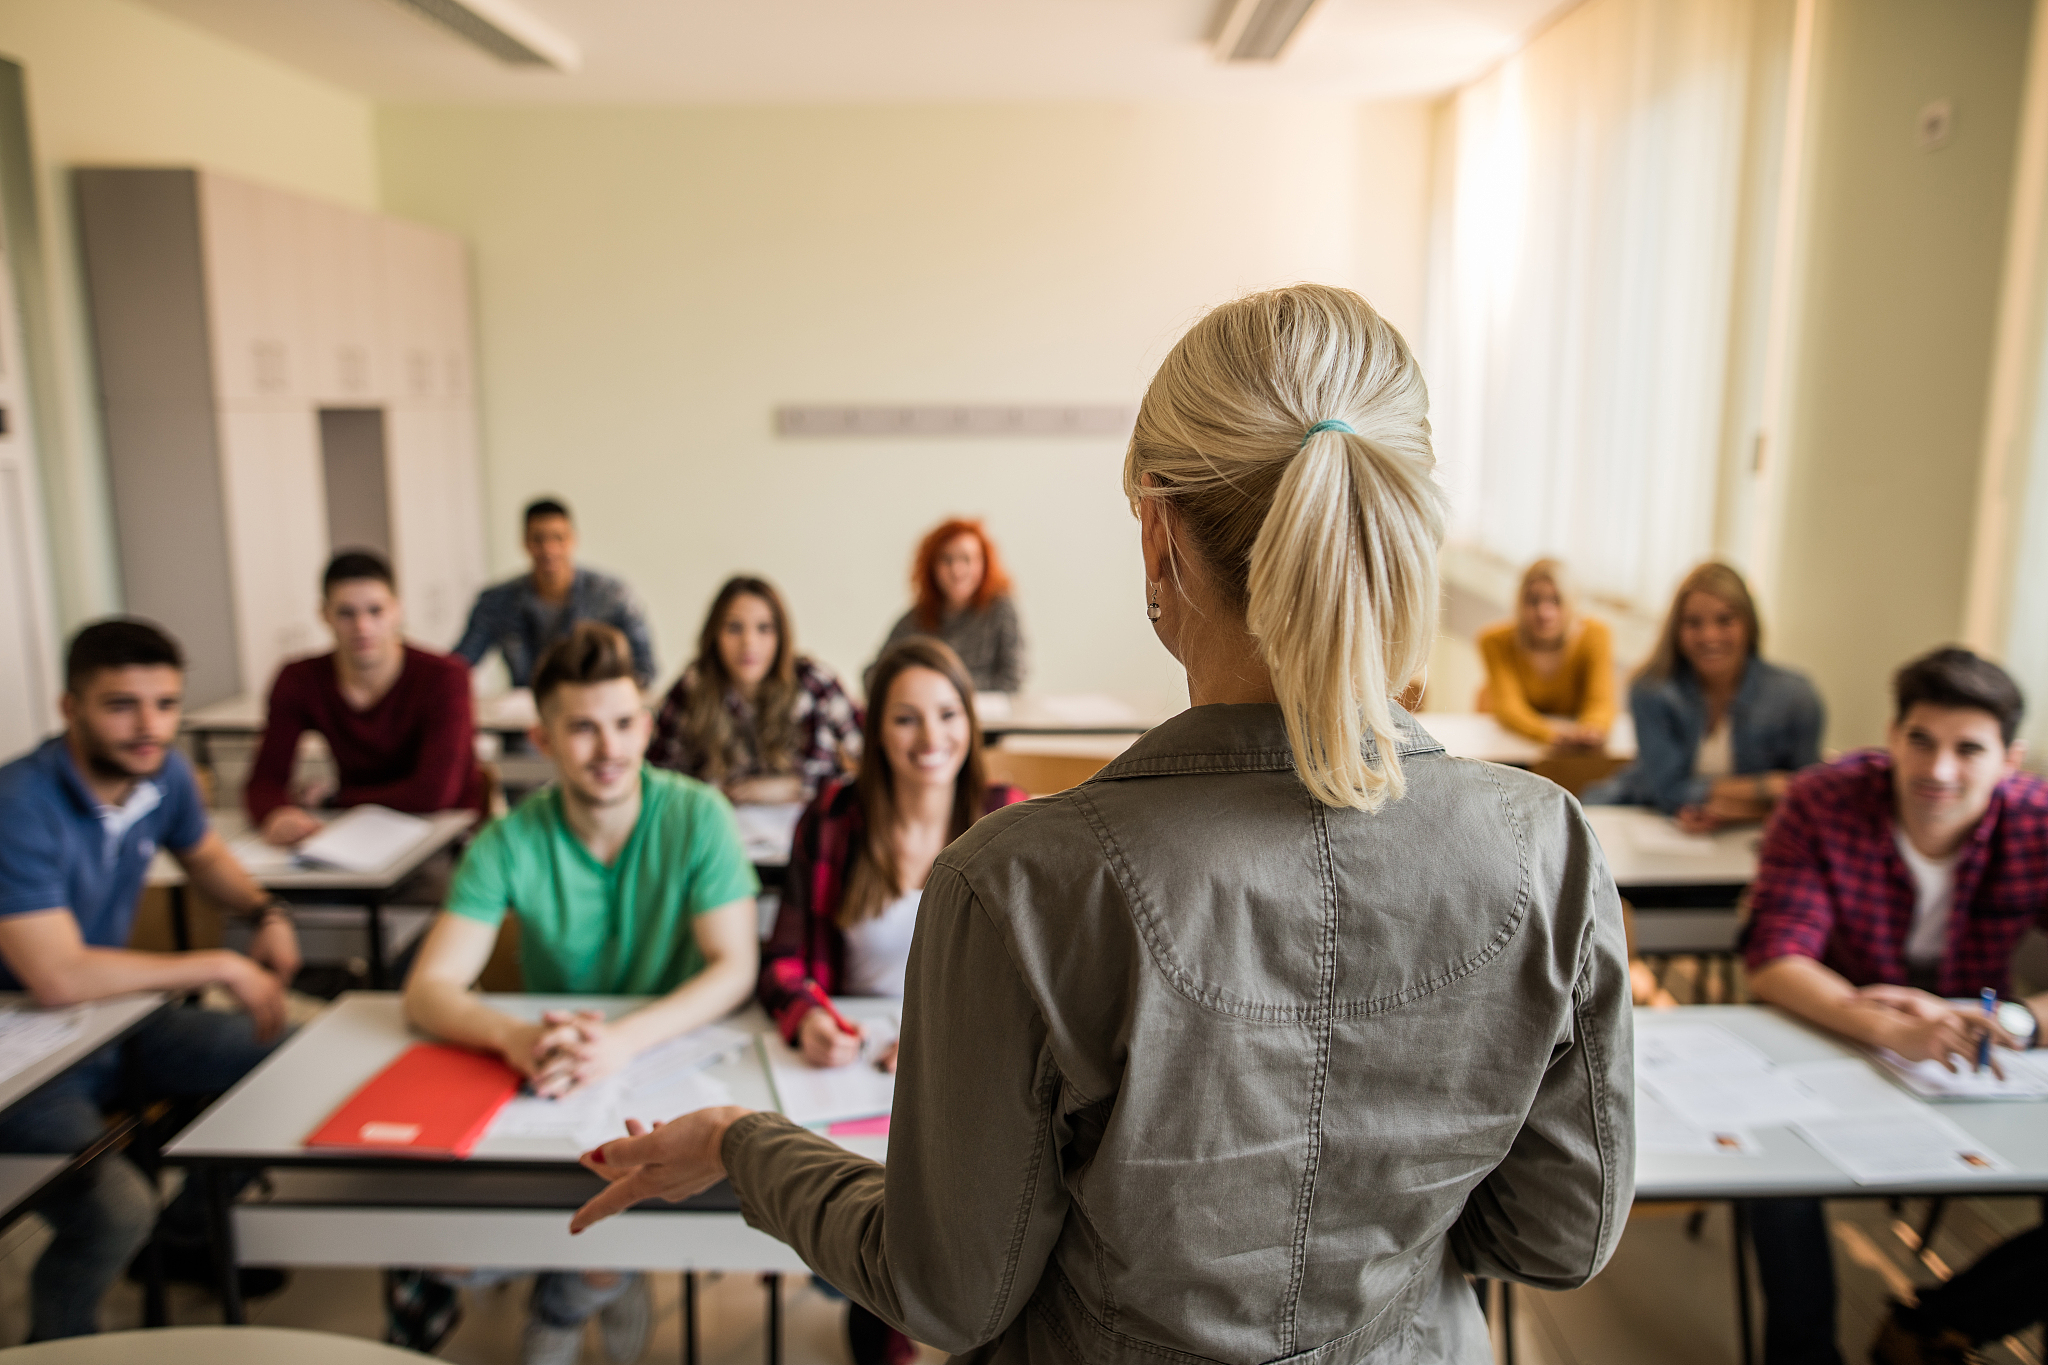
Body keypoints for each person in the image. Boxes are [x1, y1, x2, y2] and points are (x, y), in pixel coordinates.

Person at [570, 284, 1633, 1365]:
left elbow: (946, 1295)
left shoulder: (1017, 882)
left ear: (1156, 534)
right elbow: (1553, 1236)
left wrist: (745, 1147)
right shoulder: (1547, 849)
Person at [401, 622, 760, 1365]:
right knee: (447, 1253)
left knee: (611, 1222)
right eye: (584, 729)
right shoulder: (508, 839)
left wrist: (622, 1040)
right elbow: (428, 989)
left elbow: (734, 967)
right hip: (551, 1068)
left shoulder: (698, 814)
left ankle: (568, 1304)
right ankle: (598, 1284)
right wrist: (512, 1035)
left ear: (648, 722)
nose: (610, 748)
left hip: (666, 1056)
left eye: (626, 723)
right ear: (543, 738)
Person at [1739, 646, 2048, 1365]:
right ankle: (1805, 1352)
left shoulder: (2035, 822)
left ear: (2011, 759)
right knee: (1772, 1176)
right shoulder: (1823, 798)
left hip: (1977, 1049)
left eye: (1968, 749)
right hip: (1833, 1031)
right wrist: (1886, 1024)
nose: (1938, 770)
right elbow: (1777, 958)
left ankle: (1936, 1323)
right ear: (1892, 733)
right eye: (1921, 740)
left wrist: (2011, 1020)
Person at [0, 619, 301, 1340]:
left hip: (112, 1022)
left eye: (165, 704)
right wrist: (223, 961)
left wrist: (266, 909)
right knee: (113, 1208)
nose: (149, 725)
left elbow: (203, 857)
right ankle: (55, 1347)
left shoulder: (158, 772)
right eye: (121, 704)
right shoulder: (18, 803)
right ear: (68, 707)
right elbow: (56, 973)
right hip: (26, 1058)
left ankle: (187, 1232)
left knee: (282, 1051)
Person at [759, 637, 1027, 1365]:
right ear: (876, 728)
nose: (931, 736)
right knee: (871, 1236)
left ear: (970, 721)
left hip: (967, 1078)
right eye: (906, 718)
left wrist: (948, 1040)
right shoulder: (836, 816)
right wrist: (809, 1011)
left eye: (947, 713)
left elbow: (1035, 986)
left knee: (968, 1250)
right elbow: (785, 958)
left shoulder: (1011, 819)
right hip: (853, 1072)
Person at [246, 550, 484, 845]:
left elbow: (433, 793)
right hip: (354, 832)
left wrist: (334, 799)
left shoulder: (445, 677)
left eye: (375, 611)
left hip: (443, 834)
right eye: (346, 613)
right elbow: (264, 781)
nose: (362, 627)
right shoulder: (299, 679)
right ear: (324, 615)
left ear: (397, 610)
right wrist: (277, 814)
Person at [1588, 561, 1823, 830]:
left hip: (1747, 836)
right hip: (1644, 816)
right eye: (1693, 622)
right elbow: (1666, 790)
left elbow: (1806, 797)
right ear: (1676, 629)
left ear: (1749, 623)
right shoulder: (1650, 689)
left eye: (1725, 620)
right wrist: (1764, 787)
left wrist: (1734, 812)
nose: (1709, 635)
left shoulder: (1796, 697)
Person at [649, 576, 862, 806]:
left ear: (781, 637)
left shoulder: (816, 685)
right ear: (715, 635)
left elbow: (866, 762)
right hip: (720, 826)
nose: (749, 643)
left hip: (806, 826)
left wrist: (791, 787)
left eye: (764, 629)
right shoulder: (692, 688)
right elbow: (660, 776)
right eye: (734, 628)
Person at [454, 497, 658, 688]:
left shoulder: (610, 595)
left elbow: (645, 668)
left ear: (572, 540)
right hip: (524, 717)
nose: (549, 549)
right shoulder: (497, 601)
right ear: (525, 542)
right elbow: (459, 664)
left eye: (558, 538)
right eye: (538, 539)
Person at [872, 518, 1026, 694]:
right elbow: (873, 675)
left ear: (984, 564)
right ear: (932, 567)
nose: (957, 570)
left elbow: (1013, 678)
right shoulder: (916, 619)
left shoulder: (1001, 610)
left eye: (966, 559)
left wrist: (940, 686)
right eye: (946, 559)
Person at [1476, 558, 1616, 747]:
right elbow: (1509, 708)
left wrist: (1592, 730)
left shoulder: (1596, 636)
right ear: (1520, 603)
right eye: (1533, 601)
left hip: (1567, 749)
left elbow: (1600, 701)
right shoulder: (1494, 641)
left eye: (1556, 601)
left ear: (1571, 604)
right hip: (1511, 744)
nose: (1544, 612)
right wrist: (1552, 735)